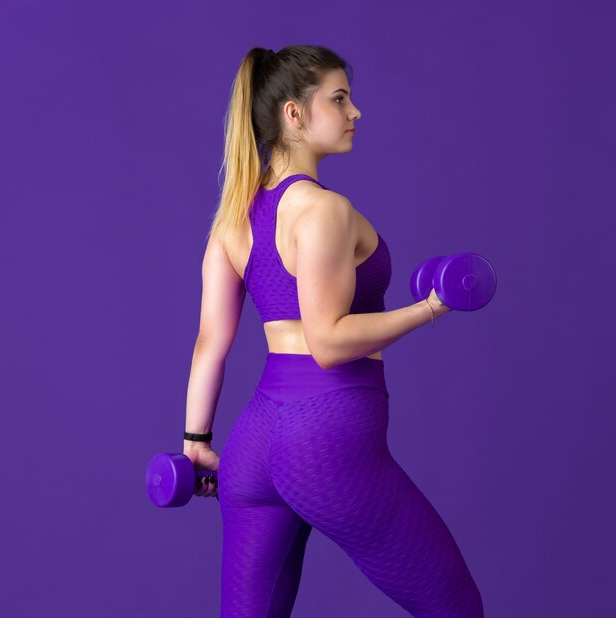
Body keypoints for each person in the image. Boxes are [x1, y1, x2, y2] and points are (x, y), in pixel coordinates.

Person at [182, 45, 484, 617]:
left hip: (255, 444)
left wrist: (196, 442)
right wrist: (433, 307)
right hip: (325, 442)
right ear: (294, 115)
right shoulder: (323, 210)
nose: (355, 112)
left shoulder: (231, 219)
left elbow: (209, 343)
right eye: (339, 98)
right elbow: (328, 341)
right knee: (456, 607)